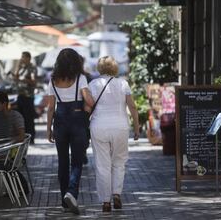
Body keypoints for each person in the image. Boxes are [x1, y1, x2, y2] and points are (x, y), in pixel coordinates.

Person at [88, 56, 140, 212]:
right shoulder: (123, 84)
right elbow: (132, 107)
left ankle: (105, 201)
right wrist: (137, 128)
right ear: (115, 68)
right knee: (119, 161)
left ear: (99, 68)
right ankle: (116, 193)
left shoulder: (93, 84)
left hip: (99, 127)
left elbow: (87, 107)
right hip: (120, 127)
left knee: (102, 165)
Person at [46, 48, 95, 215]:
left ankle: (64, 202)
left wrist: (48, 129)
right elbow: (88, 100)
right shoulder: (80, 78)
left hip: (59, 121)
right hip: (77, 120)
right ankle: (71, 193)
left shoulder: (52, 80)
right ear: (76, 62)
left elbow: (51, 107)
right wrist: (91, 102)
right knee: (77, 160)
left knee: (62, 162)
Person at [14, 51, 37, 144]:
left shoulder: (32, 68)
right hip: (20, 95)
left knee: (28, 118)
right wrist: (18, 66)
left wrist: (25, 79)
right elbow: (16, 77)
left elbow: (33, 81)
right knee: (21, 117)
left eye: (23, 57)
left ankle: (31, 137)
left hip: (28, 96)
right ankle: (22, 137)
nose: (22, 59)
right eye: (21, 57)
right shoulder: (21, 68)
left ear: (28, 58)